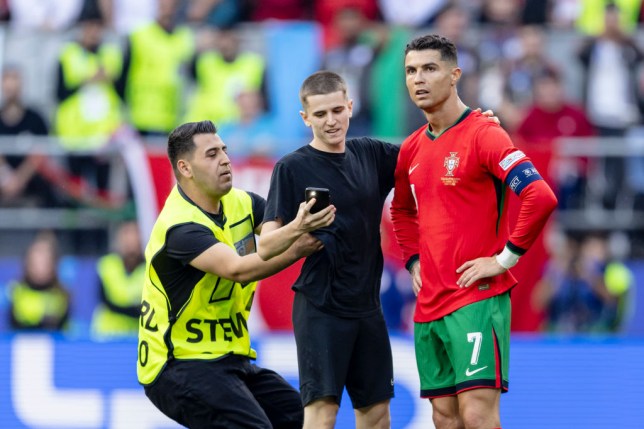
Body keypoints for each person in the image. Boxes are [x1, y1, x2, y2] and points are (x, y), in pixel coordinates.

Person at [258, 70, 498, 429]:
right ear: (305, 118)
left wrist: (473, 129)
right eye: (320, 114)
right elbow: (265, 246)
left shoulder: (370, 153)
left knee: (376, 415)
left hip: (367, 308)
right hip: (321, 308)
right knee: (321, 413)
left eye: (337, 110)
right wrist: (299, 226)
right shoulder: (291, 167)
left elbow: (427, 155)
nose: (331, 121)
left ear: (350, 107)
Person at [390, 34, 558, 429]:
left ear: (454, 75)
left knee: (478, 416)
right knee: (445, 418)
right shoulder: (411, 149)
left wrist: (504, 259)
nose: (419, 79)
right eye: (411, 71)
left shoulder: (484, 134)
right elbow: (401, 210)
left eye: (430, 69)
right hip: (429, 303)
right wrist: (413, 258)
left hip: (476, 300)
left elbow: (540, 196)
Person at [137, 120, 332, 428]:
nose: (225, 159)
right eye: (212, 154)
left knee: (303, 420)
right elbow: (238, 270)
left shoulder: (243, 202)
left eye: (224, 150)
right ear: (185, 168)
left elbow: (278, 232)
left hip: (229, 359)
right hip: (178, 366)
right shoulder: (180, 226)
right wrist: (298, 245)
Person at [91, 220, 145, 339]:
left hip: (136, 338)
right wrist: (135, 310)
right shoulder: (107, 264)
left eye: (135, 234)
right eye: (126, 234)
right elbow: (105, 300)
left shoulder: (150, 268)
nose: (130, 240)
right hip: (107, 336)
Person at [8, 231, 71, 331]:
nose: (40, 267)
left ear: (53, 264)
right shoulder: (17, 291)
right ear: (27, 263)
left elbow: (62, 329)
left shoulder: (62, 295)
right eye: (36, 261)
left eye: (45, 261)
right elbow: (14, 326)